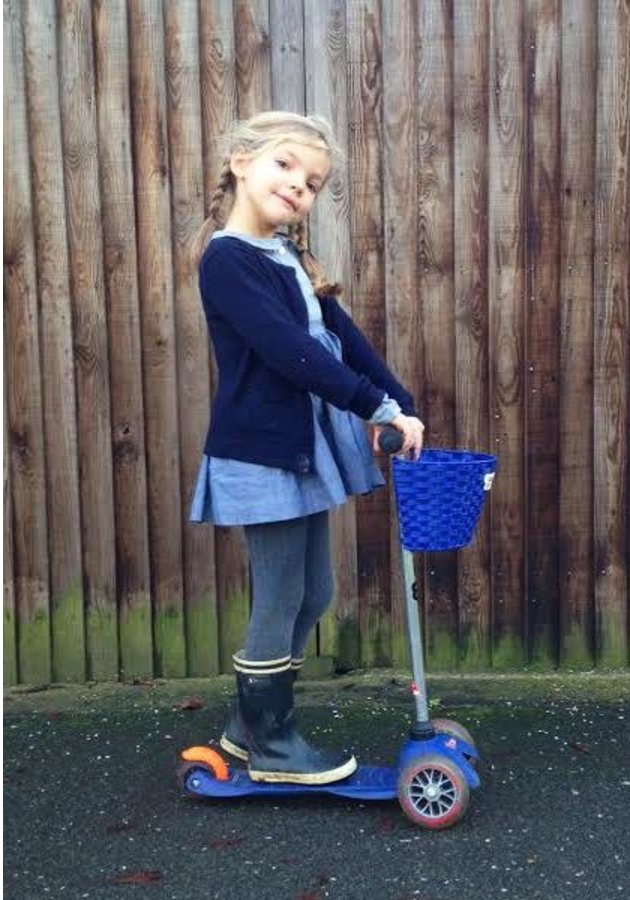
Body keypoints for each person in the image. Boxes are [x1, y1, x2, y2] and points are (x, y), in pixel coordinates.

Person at [189, 111, 425, 786]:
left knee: (314, 592)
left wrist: (397, 400)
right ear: (241, 162)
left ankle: (246, 731)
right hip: (260, 453)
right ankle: (273, 745)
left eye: (313, 181)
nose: (299, 185)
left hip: (295, 450)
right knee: (280, 594)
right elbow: (291, 353)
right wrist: (371, 406)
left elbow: (343, 338)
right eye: (285, 165)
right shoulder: (227, 260)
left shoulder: (284, 255)